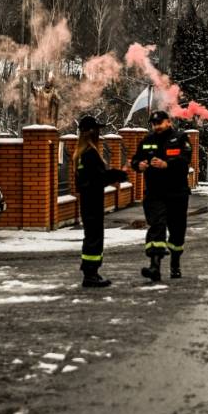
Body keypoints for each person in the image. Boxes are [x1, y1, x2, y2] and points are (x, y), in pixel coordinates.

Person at [131, 111, 192, 281]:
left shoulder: (180, 138)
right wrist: (139, 165)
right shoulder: (147, 141)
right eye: (153, 123)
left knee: (177, 230)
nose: (156, 126)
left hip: (177, 193)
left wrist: (167, 164)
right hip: (154, 193)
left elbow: (185, 160)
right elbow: (135, 159)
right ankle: (154, 266)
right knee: (157, 225)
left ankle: (175, 263)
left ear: (168, 122)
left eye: (159, 122)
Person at [74, 115, 129, 288]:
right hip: (92, 201)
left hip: (88, 201)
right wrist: (119, 174)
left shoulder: (81, 154)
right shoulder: (90, 153)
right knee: (94, 237)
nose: (99, 132)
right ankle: (91, 274)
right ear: (90, 132)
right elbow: (99, 178)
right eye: (97, 129)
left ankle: (91, 272)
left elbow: (88, 180)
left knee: (91, 236)